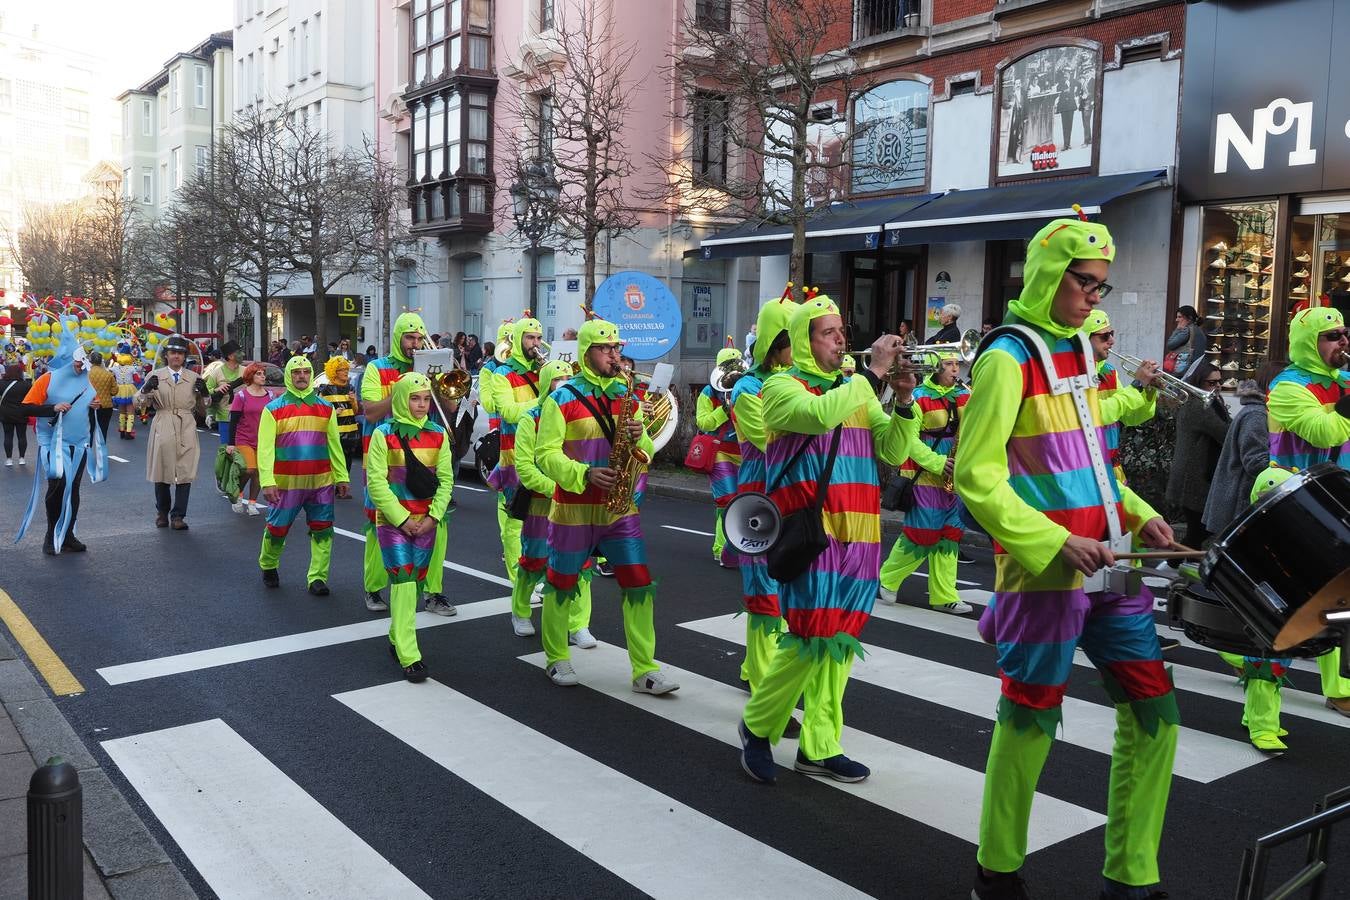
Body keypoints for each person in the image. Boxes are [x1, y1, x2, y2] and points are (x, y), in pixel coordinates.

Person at [956, 215, 1178, 900]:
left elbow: (1091, 465)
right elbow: (976, 477)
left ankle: (1133, 874)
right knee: (1029, 717)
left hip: (1114, 567)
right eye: (1087, 285)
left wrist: (1140, 514)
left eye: (1102, 287)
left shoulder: (1083, 351)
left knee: (1156, 713)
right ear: (1052, 274)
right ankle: (997, 869)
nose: (1094, 300)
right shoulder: (1004, 357)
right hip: (1043, 574)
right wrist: (1055, 542)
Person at [736, 295, 920, 787]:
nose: (841, 340)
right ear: (802, 341)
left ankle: (820, 746)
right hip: (812, 534)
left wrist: (903, 402)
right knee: (807, 635)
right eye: (828, 332)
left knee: (839, 642)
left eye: (843, 331)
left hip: (862, 534)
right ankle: (757, 726)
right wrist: (873, 378)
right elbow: (816, 417)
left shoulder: (854, 389)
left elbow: (894, 449)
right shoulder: (778, 387)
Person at [535, 314, 678, 693]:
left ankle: (645, 668)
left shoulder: (628, 395)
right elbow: (544, 455)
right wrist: (584, 474)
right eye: (606, 348)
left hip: (620, 510)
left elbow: (646, 450)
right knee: (561, 584)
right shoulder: (561, 398)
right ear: (587, 352)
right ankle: (555, 658)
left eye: (617, 347)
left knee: (639, 585)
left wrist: (639, 436)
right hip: (574, 509)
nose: (615, 355)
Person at [1266, 305, 1350, 716]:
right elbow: (1325, 430)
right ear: (1308, 343)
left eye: (1345, 333)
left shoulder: (1343, 381)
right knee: (1283, 615)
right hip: (1293, 505)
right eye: (1332, 336)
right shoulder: (1288, 387)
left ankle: (1339, 688)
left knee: (1340, 603)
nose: (1343, 342)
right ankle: (1261, 713)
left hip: (1338, 503)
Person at [359, 313, 453, 616]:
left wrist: (438, 379)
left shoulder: (432, 367)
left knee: (437, 525)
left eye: (419, 339)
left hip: (427, 457)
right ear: (399, 338)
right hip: (386, 458)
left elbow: (450, 407)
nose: (415, 345)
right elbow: (371, 412)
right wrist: (404, 389)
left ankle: (433, 592)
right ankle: (374, 587)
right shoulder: (377, 368)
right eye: (409, 338)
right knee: (379, 523)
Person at [366, 372, 456, 681]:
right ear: (402, 398)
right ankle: (409, 653)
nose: (421, 404)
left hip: (427, 521)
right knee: (403, 580)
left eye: (426, 398)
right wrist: (402, 519)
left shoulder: (439, 435)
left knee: (415, 583)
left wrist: (433, 517)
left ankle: (396, 636)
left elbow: (446, 481)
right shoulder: (383, 434)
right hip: (393, 523)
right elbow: (375, 482)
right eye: (414, 398)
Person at [727, 293, 795, 694]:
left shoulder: (798, 382)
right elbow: (771, 440)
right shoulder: (747, 388)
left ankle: (756, 668)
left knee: (786, 594)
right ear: (775, 345)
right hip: (759, 497)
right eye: (793, 343)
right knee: (764, 594)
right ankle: (764, 688)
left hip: (793, 495)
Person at [877, 352, 973, 615]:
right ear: (936, 367)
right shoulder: (919, 397)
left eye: (957, 364)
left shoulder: (966, 395)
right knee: (923, 534)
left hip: (955, 476)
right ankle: (887, 578)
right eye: (949, 364)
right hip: (924, 476)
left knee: (950, 535)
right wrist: (938, 463)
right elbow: (909, 440)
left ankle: (945, 595)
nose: (955, 369)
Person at [509, 359, 594, 643]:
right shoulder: (530, 418)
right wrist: (556, 488)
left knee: (580, 563)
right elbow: (525, 466)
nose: (565, 381)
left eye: (569, 376)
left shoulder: (579, 412)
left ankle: (577, 624)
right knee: (534, 560)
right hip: (541, 502)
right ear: (547, 383)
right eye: (559, 378)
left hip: (576, 502)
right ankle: (520, 611)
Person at [256, 356, 351, 595]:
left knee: (323, 530)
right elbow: (265, 449)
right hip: (286, 484)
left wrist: (342, 477)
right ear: (289, 375)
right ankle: (269, 563)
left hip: (321, 482)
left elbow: (334, 444)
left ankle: (318, 577)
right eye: (296, 372)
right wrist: (267, 481)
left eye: (306, 372)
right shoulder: (273, 409)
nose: (301, 376)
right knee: (277, 529)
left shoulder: (325, 407)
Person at [15, 314, 108, 555]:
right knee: (57, 487)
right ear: (66, 359)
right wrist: (51, 408)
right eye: (77, 361)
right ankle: (50, 536)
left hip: (79, 444)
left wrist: (94, 406)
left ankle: (67, 535)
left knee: (73, 489)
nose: (80, 364)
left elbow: (89, 406)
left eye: (82, 361)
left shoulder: (87, 381)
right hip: (54, 444)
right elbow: (25, 407)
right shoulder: (47, 379)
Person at [487, 312, 546, 617]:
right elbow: (508, 411)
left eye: (538, 338)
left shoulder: (544, 369)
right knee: (515, 522)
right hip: (513, 455)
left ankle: (541, 576)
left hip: (546, 455)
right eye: (530, 338)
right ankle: (516, 577)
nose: (536, 344)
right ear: (519, 341)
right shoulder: (502, 373)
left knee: (546, 522)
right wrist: (545, 398)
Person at [1202, 363, 1282, 535]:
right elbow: (1255, 462)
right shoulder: (1257, 414)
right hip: (1237, 503)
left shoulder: (1260, 411)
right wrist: (1287, 465)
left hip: (1239, 502)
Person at [136, 335, 205, 530]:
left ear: (185, 357)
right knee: (162, 469)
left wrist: (205, 394)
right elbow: (138, 403)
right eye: (173, 353)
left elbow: (203, 409)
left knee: (185, 471)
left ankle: (178, 516)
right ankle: (162, 511)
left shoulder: (193, 378)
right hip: (163, 421)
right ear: (166, 355)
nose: (176, 357)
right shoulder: (155, 375)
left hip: (186, 424)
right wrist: (145, 390)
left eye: (180, 353)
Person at [1165, 361, 1229, 549]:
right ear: (1198, 383)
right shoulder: (1197, 405)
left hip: (1196, 476)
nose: (1217, 386)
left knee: (1198, 532)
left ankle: (1176, 566)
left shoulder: (1209, 402)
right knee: (1198, 533)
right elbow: (1225, 433)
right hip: (1192, 479)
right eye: (1211, 383)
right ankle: (1174, 566)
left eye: (1219, 382)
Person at [696, 341, 745, 566]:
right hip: (720, 451)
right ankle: (722, 548)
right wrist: (723, 410)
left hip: (745, 452)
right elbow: (703, 422)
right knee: (726, 501)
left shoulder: (747, 387)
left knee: (744, 501)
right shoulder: (708, 392)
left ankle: (741, 545)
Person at [226, 363, 272, 515]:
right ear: (250, 376)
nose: (262, 376)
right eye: (259, 374)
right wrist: (231, 443)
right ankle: (238, 494)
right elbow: (233, 421)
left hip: (263, 440)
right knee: (249, 469)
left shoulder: (271, 396)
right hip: (244, 438)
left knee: (259, 472)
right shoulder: (241, 396)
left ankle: (252, 503)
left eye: (263, 374)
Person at [318, 356, 361, 479]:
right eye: (342, 369)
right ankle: (333, 483)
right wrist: (333, 413)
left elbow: (355, 411)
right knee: (333, 459)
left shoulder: (350, 388)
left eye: (346, 369)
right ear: (334, 372)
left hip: (351, 432)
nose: (346, 372)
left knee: (347, 460)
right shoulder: (325, 390)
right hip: (334, 432)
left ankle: (343, 484)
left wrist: (353, 402)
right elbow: (320, 412)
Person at [205, 341, 245, 443]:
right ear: (231, 356)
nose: (243, 354)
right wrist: (216, 390)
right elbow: (205, 393)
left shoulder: (246, 371)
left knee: (244, 452)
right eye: (239, 352)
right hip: (225, 419)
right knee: (227, 451)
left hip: (244, 418)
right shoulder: (216, 373)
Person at [109, 343, 142, 440]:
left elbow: (109, 375)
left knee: (121, 411)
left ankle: (122, 431)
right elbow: (137, 380)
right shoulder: (132, 368)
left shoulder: (114, 368)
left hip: (119, 390)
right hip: (130, 390)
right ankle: (128, 432)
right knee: (131, 411)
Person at [1, 362, 32, 466]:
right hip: (21, 413)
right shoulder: (26, 385)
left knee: (8, 436)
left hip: (6, 413)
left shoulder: (1, 384)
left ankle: (9, 459)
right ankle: (21, 458)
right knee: (22, 436)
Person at [1164, 306, 1206, 375]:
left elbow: (1170, 345)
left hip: (1183, 372)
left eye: (1179, 317)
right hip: (1193, 370)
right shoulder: (1197, 329)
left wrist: (1178, 329)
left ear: (1189, 318)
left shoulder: (1186, 330)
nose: (1176, 320)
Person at [86, 352, 116, 442]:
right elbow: (114, 391)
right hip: (106, 406)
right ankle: (102, 453)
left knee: (89, 430)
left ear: (90, 361)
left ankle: (88, 452)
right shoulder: (108, 374)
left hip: (90, 405)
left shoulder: (87, 374)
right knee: (103, 430)